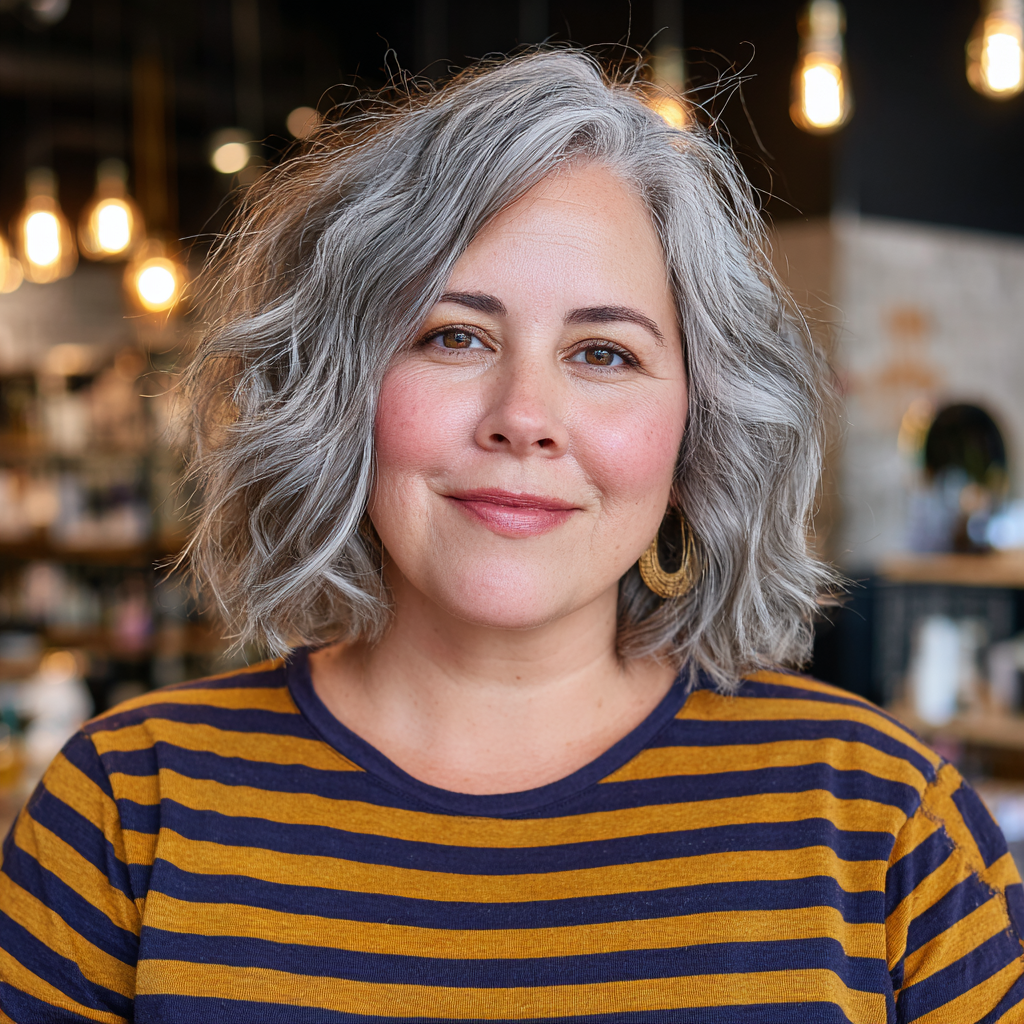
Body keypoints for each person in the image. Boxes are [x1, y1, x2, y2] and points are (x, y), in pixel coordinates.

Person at [2, 50, 1022, 1024]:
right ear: (341, 390)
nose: (523, 414)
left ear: (695, 425)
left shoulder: (886, 826)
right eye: (454, 335)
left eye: (603, 352)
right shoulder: (126, 812)